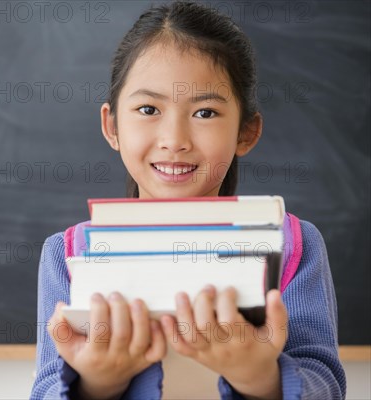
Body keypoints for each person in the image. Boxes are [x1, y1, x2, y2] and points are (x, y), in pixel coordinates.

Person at [30, 1, 346, 399]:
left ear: (246, 132)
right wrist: (99, 382)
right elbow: (45, 388)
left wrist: (258, 376)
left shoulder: (292, 243)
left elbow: (326, 385)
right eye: (148, 109)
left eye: (205, 113)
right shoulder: (69, 254)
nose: (175, 139)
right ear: (112, 126)